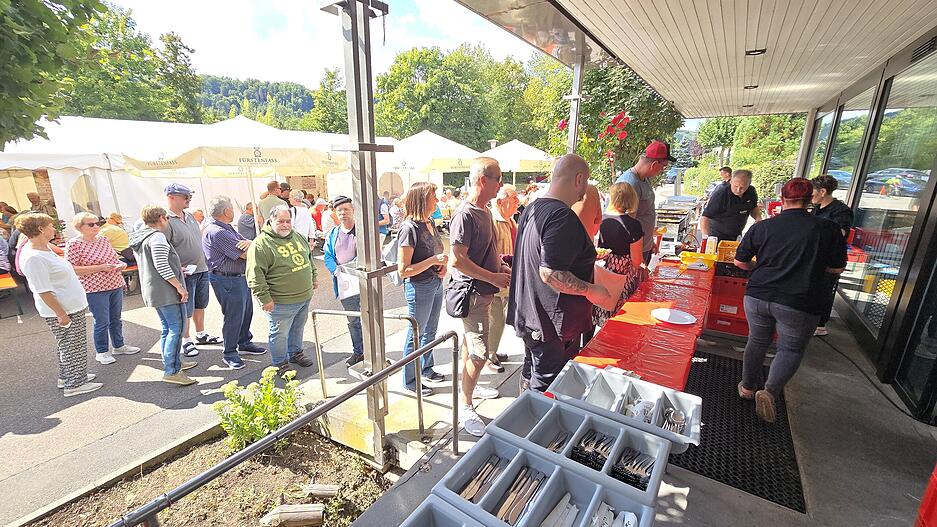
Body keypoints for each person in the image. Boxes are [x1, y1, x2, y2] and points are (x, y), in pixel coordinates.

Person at [734, 178, 847, 423]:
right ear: (809, 200)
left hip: (758, 294)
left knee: (757, 340)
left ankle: (747, 387)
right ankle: (770, 391)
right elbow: (837, 268)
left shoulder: (763, 227)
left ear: (782, 200)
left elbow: (740, 262)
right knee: (790, 348)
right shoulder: (827, 229)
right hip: (801, 300)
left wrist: (760, 266)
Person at [508, 154, 613, 392]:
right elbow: (551, 272)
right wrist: (591, 290)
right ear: (579, 179)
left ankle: (521, 423)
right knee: (548, 388)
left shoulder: (533, 208)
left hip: (533, 318)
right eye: (586, 182)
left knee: (531, 376)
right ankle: (533, 427)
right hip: (550, 325)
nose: (585, 190)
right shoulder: (561, 216)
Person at [449, 158, 511, 436]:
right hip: (472, 294)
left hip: (482, 292)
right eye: (498, 178)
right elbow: (457, 261)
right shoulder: (466, 214)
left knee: (469, 345)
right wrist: (493, 277)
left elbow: (485, 252)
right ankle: (466, 405)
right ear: (483, 180)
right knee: (479, 352)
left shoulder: (484, 211)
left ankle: (468, 388)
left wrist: (499, 267)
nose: (501, 183)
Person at [17, 213, 101, 396]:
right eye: (50, 225)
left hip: (69, 306)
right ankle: (75, 384)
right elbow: (43, 290)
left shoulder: (43, 249)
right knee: (73, 346)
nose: (53, 228)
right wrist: (61, 313)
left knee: (69, 344)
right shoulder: (34, 257)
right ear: (40, 229)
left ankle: (69, 377)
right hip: (63, 310)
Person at [129, 206, 198, 386]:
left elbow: (155, 263)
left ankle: (173, 362)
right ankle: (172, 370)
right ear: (161, 218)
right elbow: (161, 266)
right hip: (165, 290)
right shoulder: (157, 236)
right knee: (177, 328)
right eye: (166, 218)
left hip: (154, 289)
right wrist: (179, 287)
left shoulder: (140, 236)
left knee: (168, 328)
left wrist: (177, 270)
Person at [247, 206, 317, 372]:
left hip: (304, 296)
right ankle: (280, 363)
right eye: (281, 221)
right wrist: (264, 299)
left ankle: (295, 353)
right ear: (271, 221)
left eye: (288, 221)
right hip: (280, 302)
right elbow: (255, 276)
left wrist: (313, 277)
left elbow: (308, 259)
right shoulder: (261, 244)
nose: (285, 225)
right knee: (279, 334)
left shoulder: (298, 236)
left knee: (297, 328)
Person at [66, 212, 141, 365]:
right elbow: (72, 269)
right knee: (101, 321)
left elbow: (113, 259)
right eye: (91, 224)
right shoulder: (74, 244)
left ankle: (119, 346)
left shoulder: (104, 240)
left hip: (114, 283)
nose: (96, 226)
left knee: (116, 318)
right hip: (94, 288)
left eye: (97, 223)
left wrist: (122, 265)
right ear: (79, 227)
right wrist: (101, 267)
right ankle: (102, 351)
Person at [203, 196, 267, 370]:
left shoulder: (226, 227)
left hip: (237, 277)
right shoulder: (218, 231)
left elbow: (247, 245)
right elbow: (245, 253)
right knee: (234, 316)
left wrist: (250, 244)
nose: (234, 211)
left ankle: (244, 342)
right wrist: (253, 245)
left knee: (246, 312)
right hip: (227, 279)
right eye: (232, 208)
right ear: (226, 211)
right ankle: (230, 352)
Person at [397, 181, 448, 396]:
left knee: (430, 331)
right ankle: (410, 381)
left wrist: (442, 267)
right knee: (416, 334)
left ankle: (426, 368)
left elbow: (434, 253)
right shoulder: (409, 228)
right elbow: (403, 270)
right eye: (433, 197)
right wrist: (433, 261)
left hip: (435, 283)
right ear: (422, 200)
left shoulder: (429, 222)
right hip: (419, 287)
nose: (436, 201)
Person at [163, 183, 223, 357]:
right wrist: (175, 269)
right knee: (186, 308)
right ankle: (186, 340)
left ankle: (201, 333)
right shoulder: (166, 220)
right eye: (185, 196)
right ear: (171, 197)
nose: (188, 199)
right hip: (185, 272)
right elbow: (163, 249)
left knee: (200, 304)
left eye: (189, 196)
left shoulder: (189, 216)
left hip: (201, 268)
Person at [593, 182, 646, 327]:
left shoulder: (600, 219)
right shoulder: (633, 225)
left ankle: (588, 345)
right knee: (618, 318)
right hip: (621, 277)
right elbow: (636, 261)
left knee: (594, 310)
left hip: (599, 271)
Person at [615, 141, 675, 263]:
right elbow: (625, 226)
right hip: (633, 253)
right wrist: (637, 259)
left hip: (643, 247)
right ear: (654, 164)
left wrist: (650, 241)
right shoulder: (629, 184)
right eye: (663, 167)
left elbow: (644, 213)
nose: (662, 171)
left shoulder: (644, 179)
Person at [323, 195, 365, 367]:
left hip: (363, 283)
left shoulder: (362, 232)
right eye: (339, 210)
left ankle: (374, 349)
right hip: (345, 286)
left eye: (346, 209)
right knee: (353, 320)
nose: (343, 213)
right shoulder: (333, 234)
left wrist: (352, 268)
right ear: (335, 213)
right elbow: (327, 256)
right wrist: (335, 270)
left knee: (371, 317)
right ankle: (359, 352)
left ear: (353, 211)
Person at [811, 174, 854, 337]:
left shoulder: (841, 211)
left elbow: (840, 234)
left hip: (829, 258)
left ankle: (820, 324)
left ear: (822, 191)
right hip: (815, 255)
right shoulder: (817, 208)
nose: (811, 196)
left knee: (824, 289)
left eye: (813, 192)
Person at [488, 184, 519, 373]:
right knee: (496, 319)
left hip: (508, 278)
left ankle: (492, 351)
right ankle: (489, 355)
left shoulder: (510, 221)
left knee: (500, 319)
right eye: (514, 198)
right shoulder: (493, 221)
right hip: (497, 280)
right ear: (500, 202)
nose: (518, 202)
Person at [700, 169, 762, 242]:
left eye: (742, 187)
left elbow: (753, 207)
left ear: (749, 184)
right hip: (717, 235)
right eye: (736, 186)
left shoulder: (751, 191)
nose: (738, 190)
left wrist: (758, 218)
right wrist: (706, 238)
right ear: (731, 181)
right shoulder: (721, 193)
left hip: (737, 234)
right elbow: (705, 217)